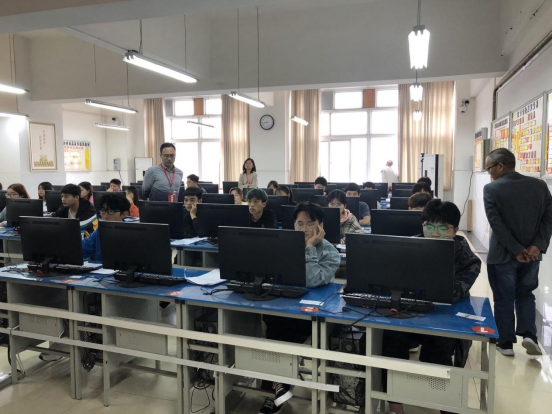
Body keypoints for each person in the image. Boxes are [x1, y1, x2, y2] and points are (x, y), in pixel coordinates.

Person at [382, 199, 481, 414]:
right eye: (429, 226)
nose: (435, 234)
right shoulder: (409, 247)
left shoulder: (468, 259)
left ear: (455, 230)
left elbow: (452, 294)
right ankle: (395, 407)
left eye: (443, 228)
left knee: (438, 353)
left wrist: (434, 263)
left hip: (445, 319)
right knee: (389, 342)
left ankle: (445, 405)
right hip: (411, 314)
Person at [259, 202, 340, 414]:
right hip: (282, 306)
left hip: (312, 314)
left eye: (310, 223)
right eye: (299, 223)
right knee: (272, 323)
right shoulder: (284, 245)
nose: (304, 229)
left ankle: (276, 389)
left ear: (321, 226)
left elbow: (313, 280)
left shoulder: (330, 252)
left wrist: (310, 247)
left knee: (282, 333)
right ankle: (279, 385)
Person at [483, 148, 552, 357]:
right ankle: (530, 334)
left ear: (500, 166)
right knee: (525, 294)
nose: (489, 173)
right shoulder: (540, 186)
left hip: (502, 255)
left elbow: (497, 225)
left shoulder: (491, 189)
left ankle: (505, 343)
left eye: (489, 168)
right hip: (532, 256)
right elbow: (548, 219)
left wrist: (515, 249)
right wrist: (536, 246)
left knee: (503, 298)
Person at [82, 193, 131, 261]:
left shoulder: (131, 234)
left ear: (123, 214)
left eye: (111, 211)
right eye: (103, 211)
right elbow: (81, 249)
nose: (105, 216)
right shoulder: (100, 231)